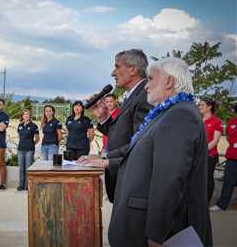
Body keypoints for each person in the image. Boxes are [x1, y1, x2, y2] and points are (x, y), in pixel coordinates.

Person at [79, 58, 212, 246]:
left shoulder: (180, 115)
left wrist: (156, 235)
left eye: (150, 79)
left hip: (159, 232)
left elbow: (170, 179)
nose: (147, 86)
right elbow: (138, 147)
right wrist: (105, 158)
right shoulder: (169, 113)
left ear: (169, 81)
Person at [81, 49, 152, 203]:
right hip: (122, 178)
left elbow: (141, 144)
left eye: (117, 67)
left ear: (132, 69)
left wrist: (106, 159)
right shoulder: (132, 95)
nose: (113, 73)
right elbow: (120, 135)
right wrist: (103, 116)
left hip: (132, 181)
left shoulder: (146, 95)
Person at [210, 103, 237, 211]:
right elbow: (229, 138)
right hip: (232, 156)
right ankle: (222, 205)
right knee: (228, 181)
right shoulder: (232, 123)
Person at [199, 97, 222, 203]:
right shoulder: (198, 119)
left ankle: (205, 203)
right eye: (199, 105)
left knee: (207, 179)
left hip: (209, 155)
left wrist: (201, 151)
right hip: (197, 155)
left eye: (202, 105)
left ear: (209, 107)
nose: (200, 107)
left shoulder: (216, 121)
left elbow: (215, 141)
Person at [17, 109, 39, 191]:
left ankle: (28, 185)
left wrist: (31, 144)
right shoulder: (20, 125)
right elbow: (20, 137)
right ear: (22, 116)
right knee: (21, 168)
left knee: (28, 168)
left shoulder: (34, 126)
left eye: (28, 114)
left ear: (30, 116)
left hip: (29, 150)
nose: (26, 116)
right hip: (20, 150)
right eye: (24, 114)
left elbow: (37, 138)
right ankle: (21, 185)